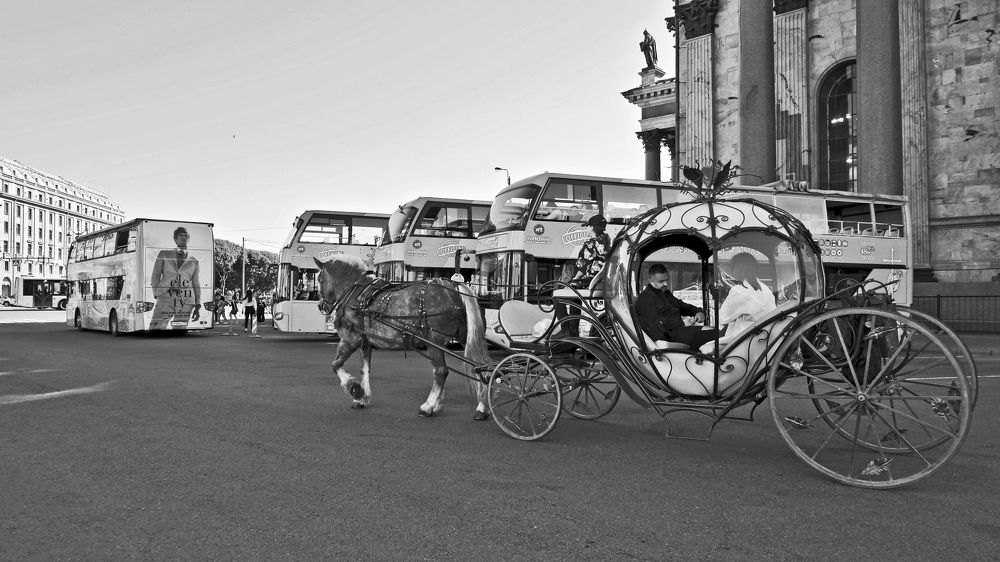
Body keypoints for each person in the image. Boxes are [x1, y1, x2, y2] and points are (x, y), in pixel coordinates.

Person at [635, 263, 718, 349]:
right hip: (672, 338)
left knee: (715, 331)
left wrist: (697, 312)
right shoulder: (646, 298)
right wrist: (683, 324)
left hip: (681, 332)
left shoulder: (665, 293)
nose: (666, 284)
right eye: (661, 281)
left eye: (667, 280)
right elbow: (653, 327)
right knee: (716, 335)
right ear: (651, 281)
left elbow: (682, 306)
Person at [713, 252, 777, 346]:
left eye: (733, 267)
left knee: (697, 337)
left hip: (742, 340)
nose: (732, 271)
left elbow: (722, 318)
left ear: (740, 269)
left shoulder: (739, 291)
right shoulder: (766, 289)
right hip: (764, 337)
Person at [149, 226, 201, 328]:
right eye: (181, 235)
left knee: (179, 329)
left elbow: (196, 283)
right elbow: (156, 275)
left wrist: (197, 304)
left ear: (188, 239)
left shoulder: (194, 261)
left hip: (186, 299)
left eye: (186, 236)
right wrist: (156, 293)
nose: (184, 237)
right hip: (165, 296)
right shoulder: (164, 254)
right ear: (175, 239)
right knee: (156, 327)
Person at [571, 215, 611, 288]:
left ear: (592, 227)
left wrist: (575, 280)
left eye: (587, 226)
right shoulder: (606, 242)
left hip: (588, 282)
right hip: (603, 280)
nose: (586, 228)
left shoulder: (590, 244)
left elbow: (584, 265)